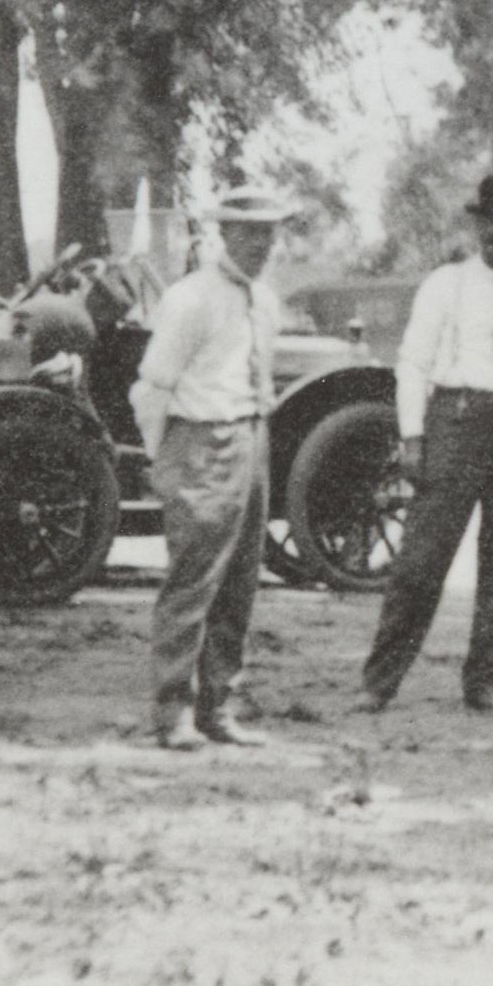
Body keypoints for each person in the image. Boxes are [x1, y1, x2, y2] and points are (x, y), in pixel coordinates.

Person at [360, 167, 493, 717]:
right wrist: (414, 437)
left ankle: (482, 683)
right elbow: (413, 364)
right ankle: (379, 682)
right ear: (478, 228)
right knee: (421, 560)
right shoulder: (444, 285)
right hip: (456, 421)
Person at [141, 183, 293, 750]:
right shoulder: (190, 298)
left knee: (239, 583)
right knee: (193, 581)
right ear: (222, 233)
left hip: (252, 437)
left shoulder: (266, 302)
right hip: (200, 441)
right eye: (249, 232)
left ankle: (218, 707)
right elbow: (153, 385)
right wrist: (164, 457)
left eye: (269, 235)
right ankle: (171, 713)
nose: (259, 245)